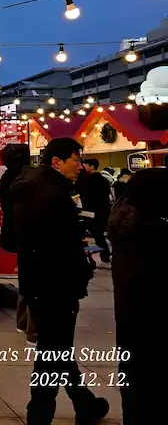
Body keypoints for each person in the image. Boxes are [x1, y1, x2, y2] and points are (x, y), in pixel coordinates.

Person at [11, 137, 109, 425]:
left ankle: (84, 404)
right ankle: (39, 413)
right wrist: (81, 267)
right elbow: (60, 245)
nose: (80, 165)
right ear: (56, 161)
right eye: (75, 159)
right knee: (52, 350)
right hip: (57, 283)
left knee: (57, 346)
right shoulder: (53, 195)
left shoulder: (30, 188)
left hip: (38, 281)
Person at [107, 168, 162, 423]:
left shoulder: (124, 221)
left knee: (131, 372)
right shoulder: (151, 229)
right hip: (151, 314)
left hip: (128, 313)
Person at [0, 143, 36, 345]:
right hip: (30, 233)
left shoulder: (6, 178)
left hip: (15, 232)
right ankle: (31, 328)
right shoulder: (28, 178)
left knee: (26, 276)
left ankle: (23, 322)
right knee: (34, 279)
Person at [78, 158, 112, 268]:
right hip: (103, 211)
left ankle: (105, 258)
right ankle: (105, 256)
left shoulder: (91, 179)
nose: (83, 167)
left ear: (92, 166)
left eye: (85, 165)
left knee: (97, 236)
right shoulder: (103, 179)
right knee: (98, 235)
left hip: (92, 212)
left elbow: (86, 195)